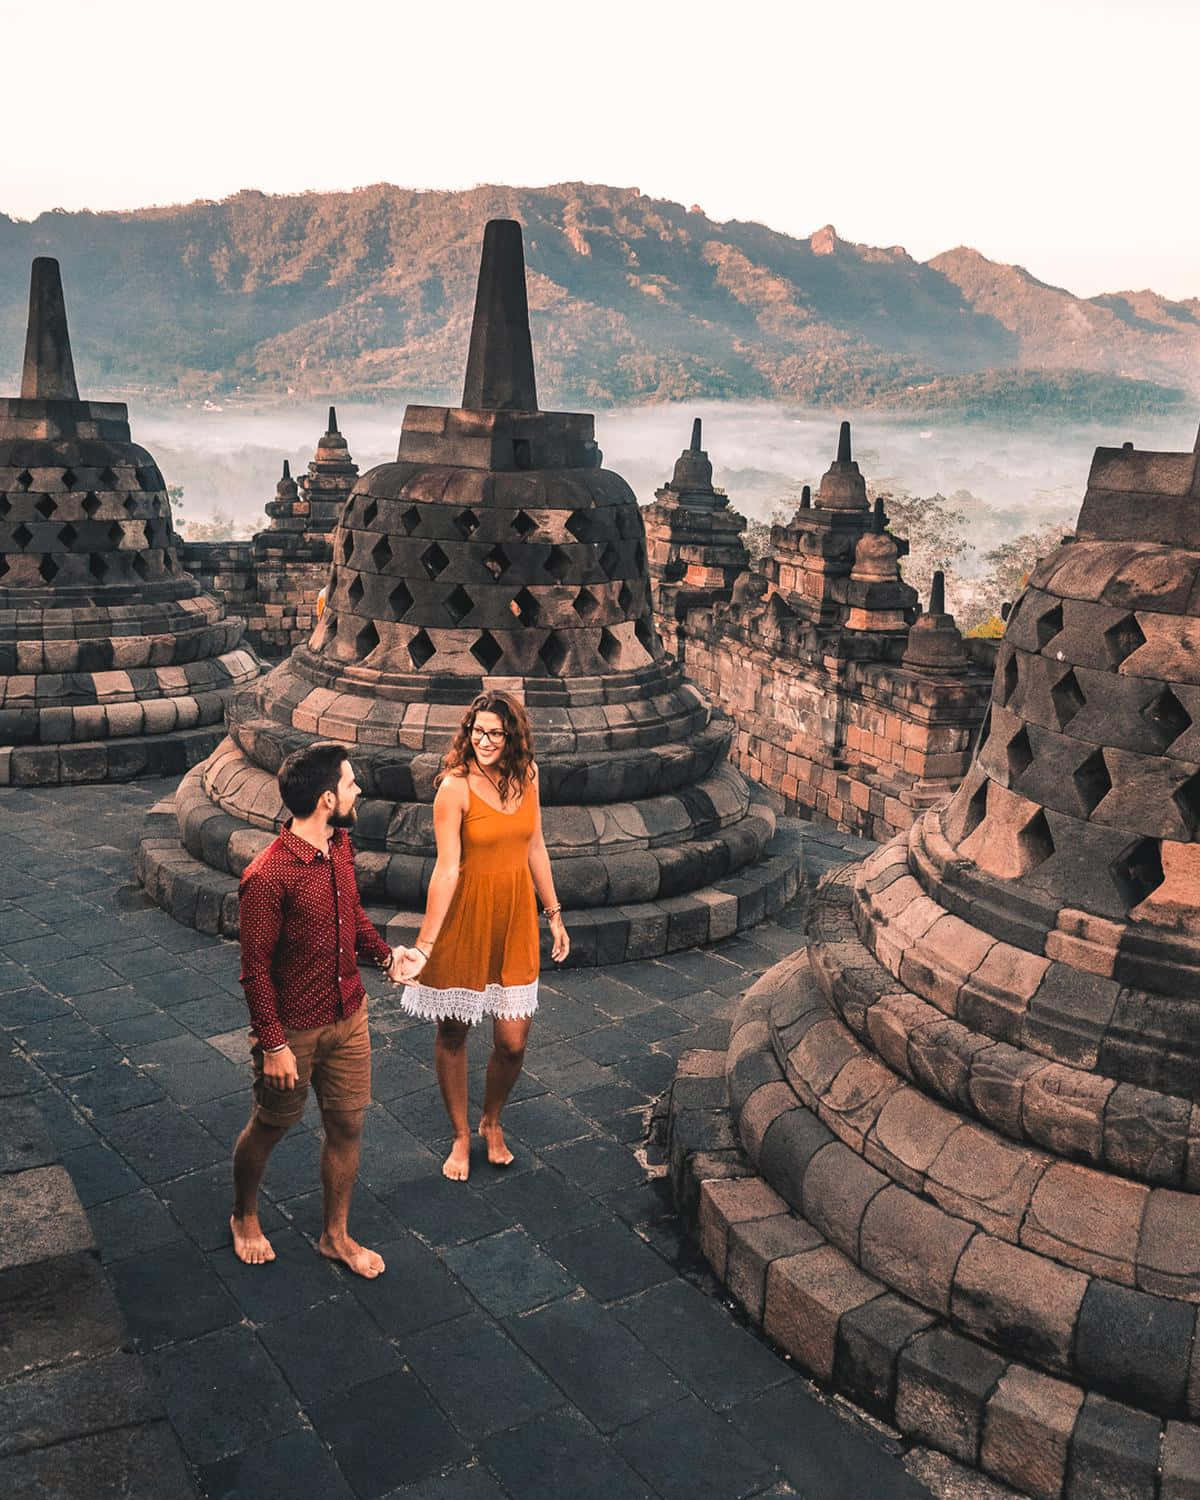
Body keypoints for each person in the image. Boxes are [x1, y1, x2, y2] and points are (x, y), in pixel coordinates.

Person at [231, 741, 410, 1276]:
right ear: (329, 798)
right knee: (269, 1126)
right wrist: (274, 1045)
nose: (360, 791)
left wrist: (384, 955)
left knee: (348, 1127)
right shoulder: (268, 875)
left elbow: (350, 913)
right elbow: (254, 970)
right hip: (294, 1032)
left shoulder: (341, 846)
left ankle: (336, 1236)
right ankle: (244, 1215)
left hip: (349, 1017)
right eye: (353, 784)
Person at [396, 690, 569, 1180]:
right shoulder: (453, 788)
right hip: (466, 918)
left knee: (512, 1042)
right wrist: (425, 946)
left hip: (514, 919)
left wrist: (553, 913)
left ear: (511, 735)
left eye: (495, 732)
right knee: (453, 1032)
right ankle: (460, 1134)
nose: (485, 740)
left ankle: (492, 1119)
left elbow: (535, 845)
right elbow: (446, 871)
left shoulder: (528, 775)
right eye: (477, 731)